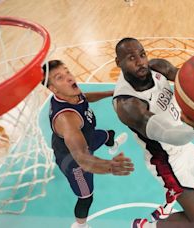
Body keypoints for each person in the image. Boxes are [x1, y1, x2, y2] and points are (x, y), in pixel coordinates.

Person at [113, 37, 194, 228]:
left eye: (142, 54)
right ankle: (145, 226)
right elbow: (167, 134)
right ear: (118, 63)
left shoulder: (157, 68)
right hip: (166, 159)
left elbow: (191, 80)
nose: (141, 62)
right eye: (132, 58)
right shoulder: (128, 104)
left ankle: (173, 198)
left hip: (184, 143)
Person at [42, 60, 133, 228]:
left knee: (108, 135)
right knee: (86, 197)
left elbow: (85, 98)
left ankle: (112, 145)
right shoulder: (67, 119)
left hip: (87, 137)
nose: (68, 78)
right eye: (59, 77)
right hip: (74, 161)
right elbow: (83, 159)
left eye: (67, 71)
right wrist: (111, 166)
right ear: (53, 89)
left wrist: (111, 93)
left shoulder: (70, 94)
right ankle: (80, 225)